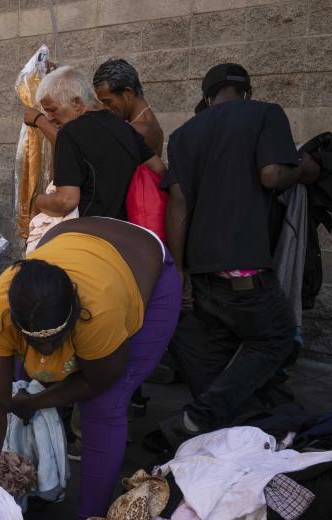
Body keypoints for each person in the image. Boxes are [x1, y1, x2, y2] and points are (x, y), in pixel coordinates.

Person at [0, 217, 180, 519]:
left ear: (77, 316)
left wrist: (35, 403)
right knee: (28, 378)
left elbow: (97, 382)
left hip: (140, 260)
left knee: (104, 405)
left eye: (55, 340)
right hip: (70, 241)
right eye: (36, 341)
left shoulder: (98, 311)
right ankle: (33, 485)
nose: (47, 350)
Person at [162, 63, 320, 441]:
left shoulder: (183, 135)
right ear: (248, 91)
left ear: (207, 98)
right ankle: (201, 417)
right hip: (243, 266)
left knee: (219, 353)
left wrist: (179, 269)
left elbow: (178, 203)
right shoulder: (266, 113)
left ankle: (222, 438)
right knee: (276, 337)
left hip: (203, 270)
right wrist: (302, 168)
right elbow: (271, 175)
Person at [29, 66, 166, 220]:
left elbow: (65, 201)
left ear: (76, 103)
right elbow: (159, 169)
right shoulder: (124, 127)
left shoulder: (69, 134)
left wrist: (38, 201)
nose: (49, 117)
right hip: (130, 228)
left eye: (52, 110)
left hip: (92, 232)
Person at [92, 58, 164, 157]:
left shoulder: (137, 130)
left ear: (128, 93)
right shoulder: (148, 121)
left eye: (108, 102)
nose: (105, 108)